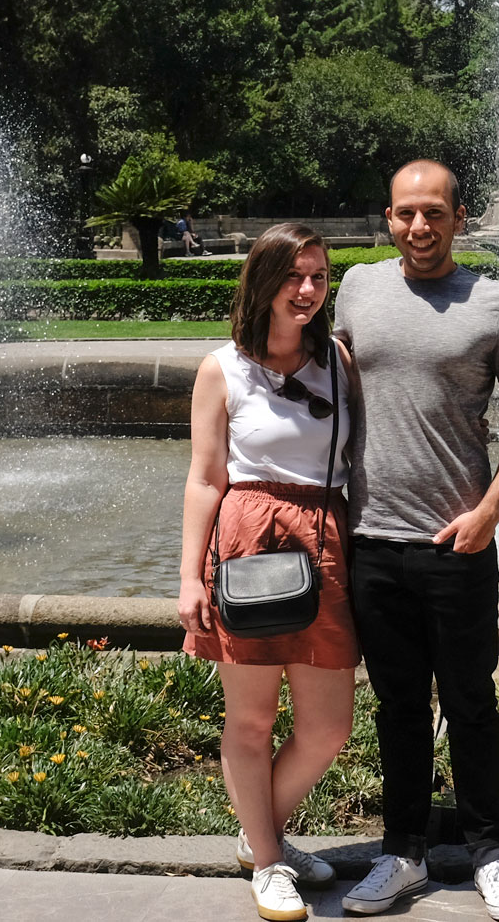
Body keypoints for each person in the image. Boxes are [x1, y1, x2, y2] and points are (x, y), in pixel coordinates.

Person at [335, 160, 499, 921]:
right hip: (372, 542)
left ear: (460, 217)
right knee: (396, 705)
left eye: (433, 212)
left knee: (470, 699)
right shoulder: (356, 288)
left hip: (457, 544)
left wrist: (489, 514)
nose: (418, 227)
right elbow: (329, 381)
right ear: (387, 218)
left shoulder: (495, 304)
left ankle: (491, 853)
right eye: (403, 213)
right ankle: (403, 851)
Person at [178, 222, 360, 922]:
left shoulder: (338, 361)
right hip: (249, 537)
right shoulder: (221, 367)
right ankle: (266, 858)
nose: (310, 289)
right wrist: (190, 576)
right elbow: (203, 478)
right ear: (263, 281)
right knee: (250, 720)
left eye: (319, 276)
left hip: (323, 537)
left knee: (329, 726)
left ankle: (263, 840)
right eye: (295, 275)